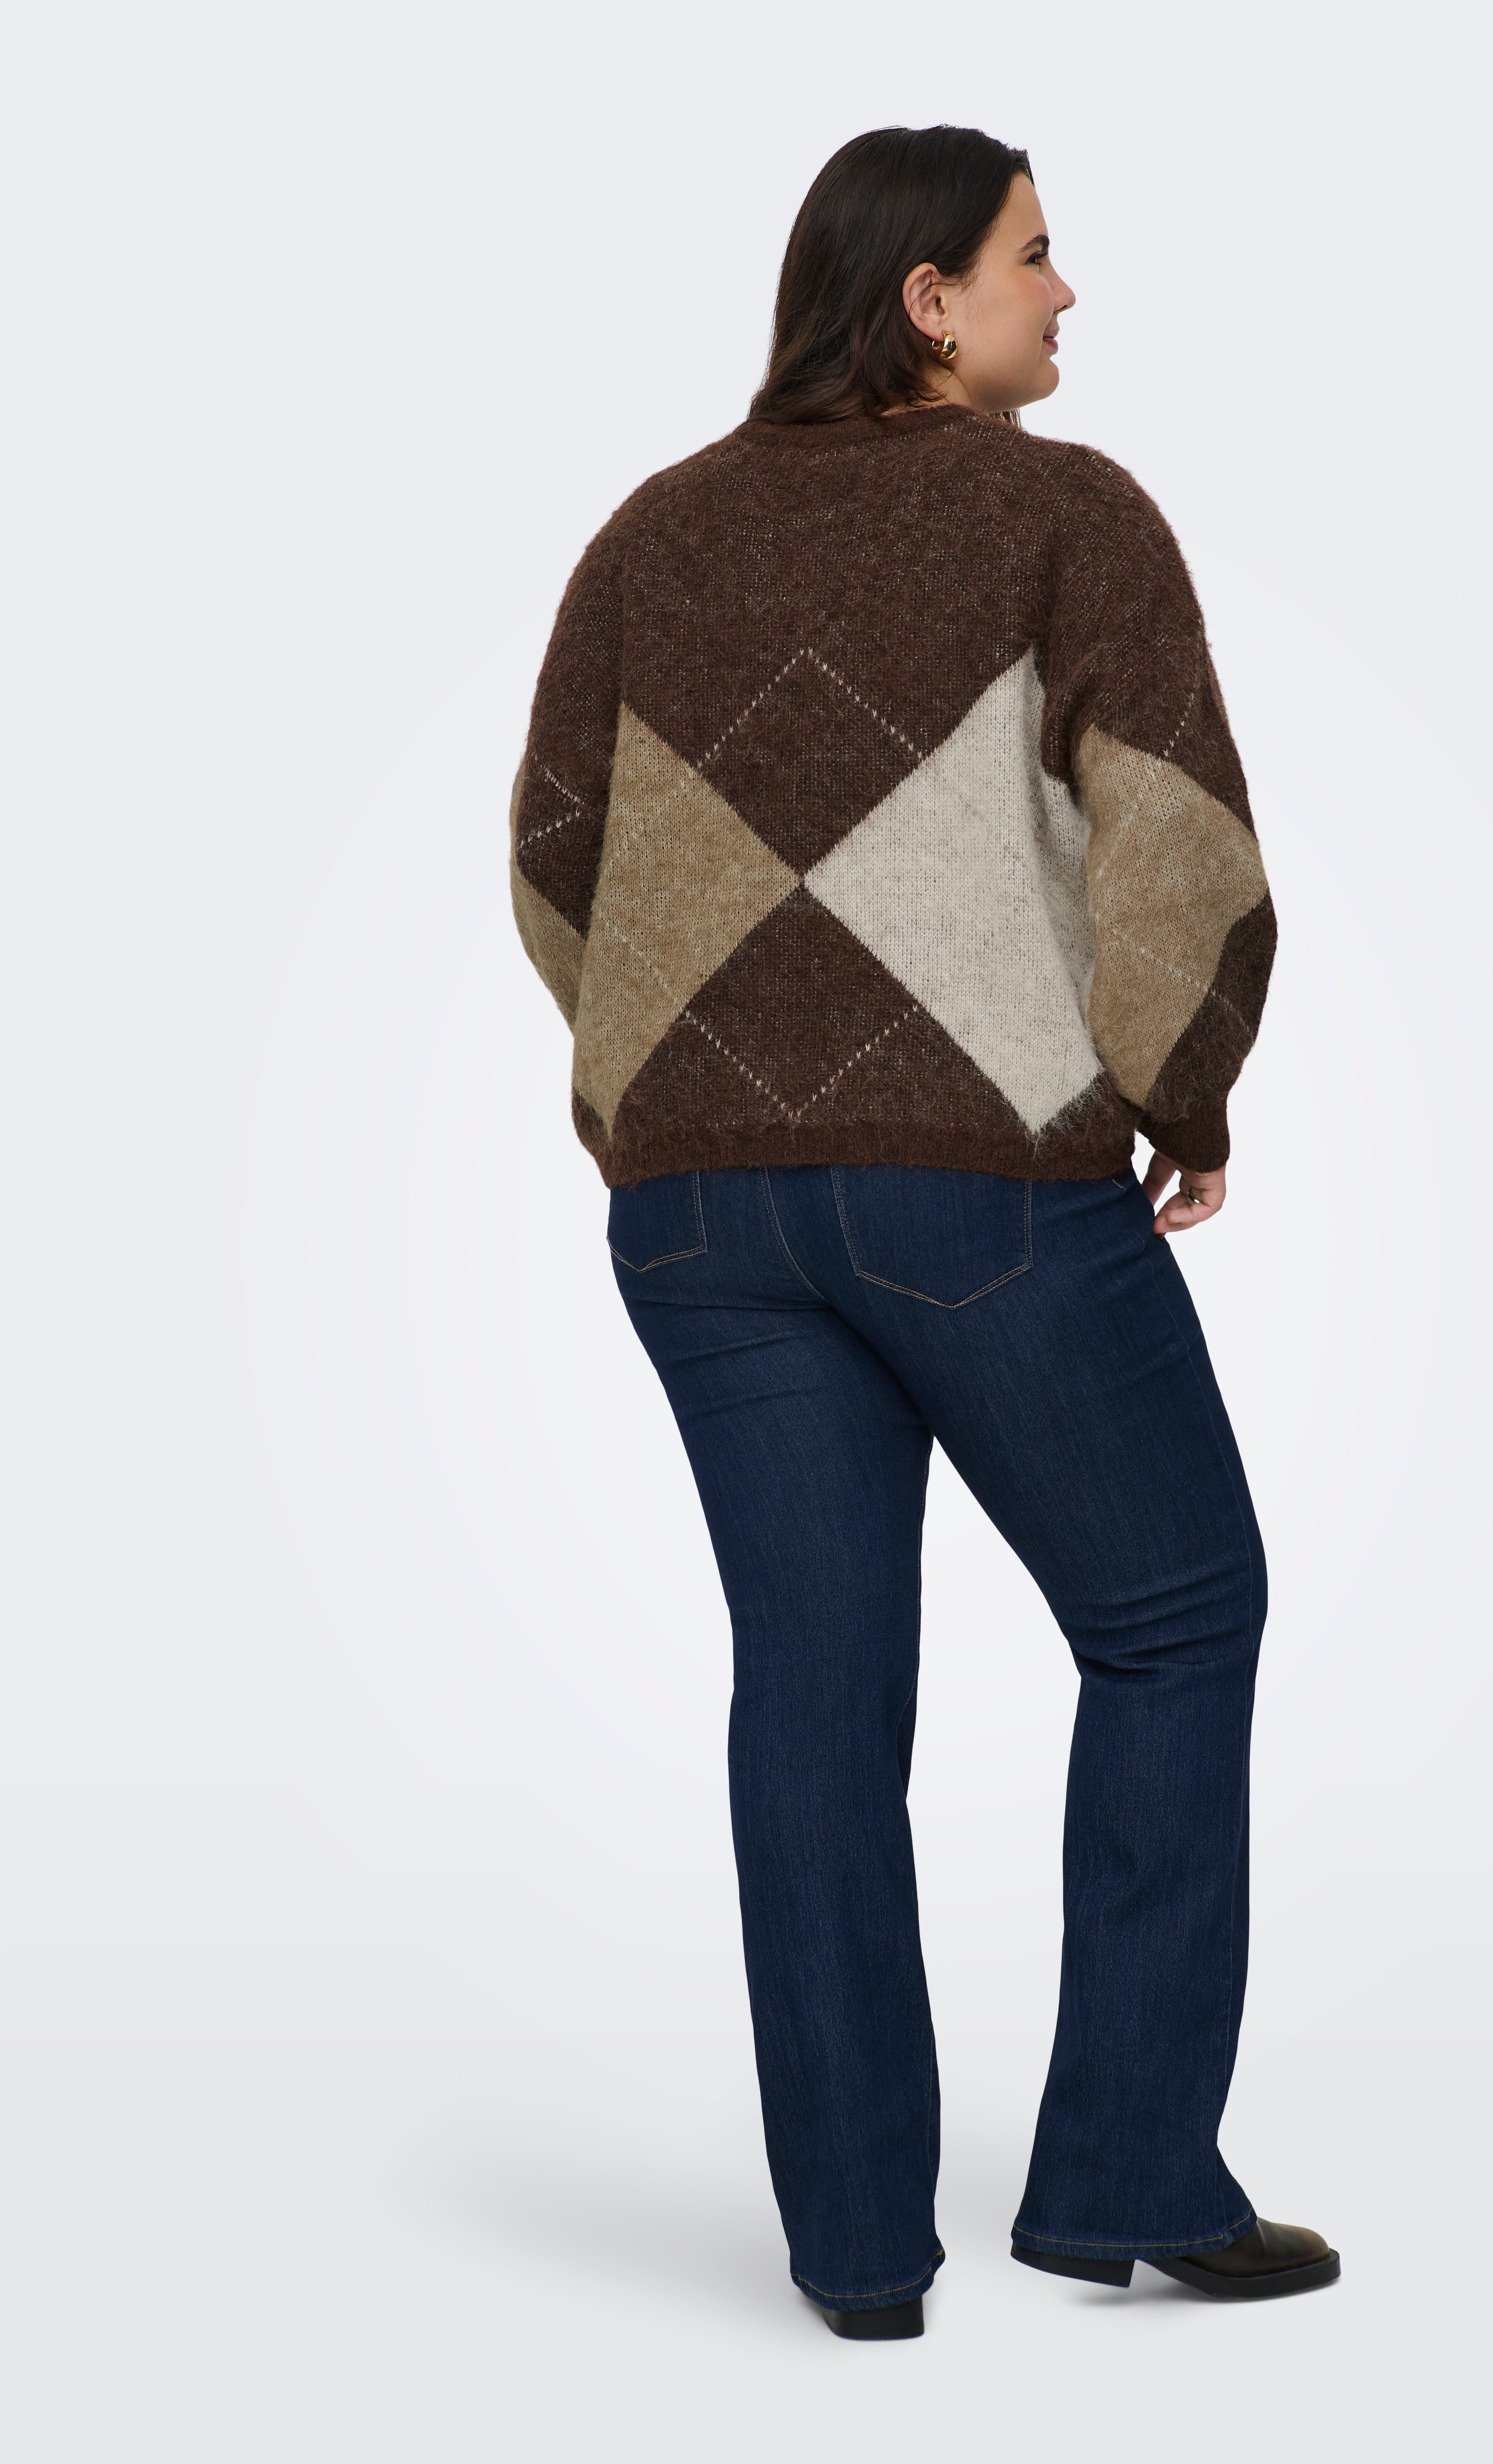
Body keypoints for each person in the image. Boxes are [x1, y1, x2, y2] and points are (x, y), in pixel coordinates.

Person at [509, 124, 1336, 2340]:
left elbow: (557, 852)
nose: (1068, 294)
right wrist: (1179, 1088)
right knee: (1175, 1619)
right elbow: (1177, 839)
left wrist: (669, 1097)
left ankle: (859, 2258)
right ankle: (1130, 2175)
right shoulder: (1063, 512)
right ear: (927, 299)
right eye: (1036, 256)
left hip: (694, 1219)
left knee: (812, 1695)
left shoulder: (650, 531)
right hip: (980, 1182)